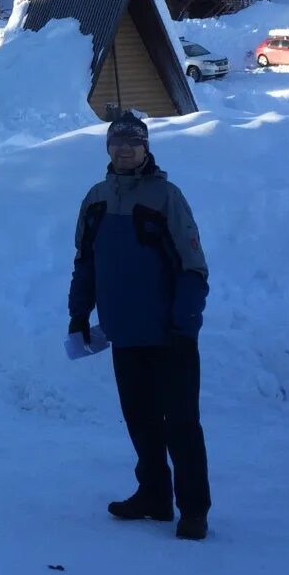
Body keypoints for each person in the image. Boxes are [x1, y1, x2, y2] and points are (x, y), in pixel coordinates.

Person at [68, 109, 211, 540]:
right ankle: (153, 495)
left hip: (170, 335)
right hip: (124, 334)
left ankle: (194, 510)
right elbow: (85, 264)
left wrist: (185, 324)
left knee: (181, 423)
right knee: (141, 421)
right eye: (118, 142)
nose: (125, 149)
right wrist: (79, 313)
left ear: (146, 148)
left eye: (133, 142)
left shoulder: (166, 196)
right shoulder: (95, 199)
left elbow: (193, 267)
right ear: (108, 148)